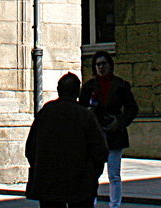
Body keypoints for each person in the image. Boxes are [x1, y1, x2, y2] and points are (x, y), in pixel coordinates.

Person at [25, 72, 108, 208]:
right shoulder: (85, 115)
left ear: (58, 90)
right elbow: (100, 151)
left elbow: (30, 149)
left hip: (49, 183)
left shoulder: (45, 112)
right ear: (78, 92)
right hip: (80, 184)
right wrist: (91, 175)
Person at [79, 51, 139, 208]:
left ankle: (115, 205)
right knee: (92, 174)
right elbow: (82, 109)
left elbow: (132, 108)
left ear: (110, 65)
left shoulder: (121, 85)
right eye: (98, 64)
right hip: (95, 133)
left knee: (114, 174)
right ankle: (90, 203)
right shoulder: (88, 87)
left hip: (114, 133)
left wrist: (119, 121)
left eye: (103, 64)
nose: (101, 67)